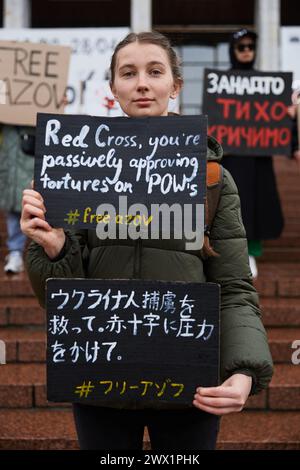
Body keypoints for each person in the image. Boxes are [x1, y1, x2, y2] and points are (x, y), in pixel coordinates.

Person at [20, 31, 273, 451]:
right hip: (99, 380)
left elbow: (234, 286)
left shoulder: (213, 179)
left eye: (155, 72)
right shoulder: (76, 172)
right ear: (113, 87)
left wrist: (244, 370)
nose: (141, 83)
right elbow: (57, 299)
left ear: (175, 85)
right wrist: (54, 248)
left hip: (190, 387)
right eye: (128, 72)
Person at [222, 29, 284, 279]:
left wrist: (285, 115)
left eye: (251, 46)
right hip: (232, 157)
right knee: (236, 202)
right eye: (242, 47)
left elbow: (276, 121)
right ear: (233, 50)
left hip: (258, 156)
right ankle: (236, 253)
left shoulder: (267, 83)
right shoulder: (221, 83)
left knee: (256, 203)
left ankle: (251, 253)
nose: (247, 51)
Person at [0, 125, 35, 274]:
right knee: (13, 208)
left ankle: (23, 253)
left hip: (28, 158)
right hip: (9, 161)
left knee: (27, 205)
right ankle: (15, 252)